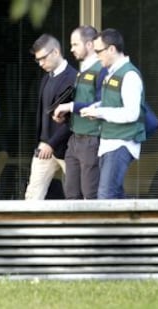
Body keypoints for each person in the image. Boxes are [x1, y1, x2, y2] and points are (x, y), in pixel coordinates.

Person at [80, 28, 146, 199]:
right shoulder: (113, 73)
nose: (96, 56)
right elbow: (112, 103)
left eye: (98, 51)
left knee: (105, 196)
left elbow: (131, 113)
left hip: (121, 143)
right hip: (109, 142)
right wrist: (96, 108)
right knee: (114, 195)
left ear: (111, 49)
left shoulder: (129, 75)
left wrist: (100, 112)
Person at [53, 25, 107, 199]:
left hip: (91, 139)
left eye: (75, 44)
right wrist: (66, 115)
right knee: (71, 194)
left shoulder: (102, 69)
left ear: (90, 44)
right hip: (75, 138)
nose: (71, 49)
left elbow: (100, 104)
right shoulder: (82, 70)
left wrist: (69, 107)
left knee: (91, 194)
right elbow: (82, 100)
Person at [24, 34, 78, 200]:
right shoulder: (46, 79)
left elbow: (75, 119)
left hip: (69, 148)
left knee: (75, 196)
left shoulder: (75, 78)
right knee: (32, 197)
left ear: (55, 52)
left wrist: (51, 144)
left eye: (43, 58)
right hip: (44, 147)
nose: (40, 64)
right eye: (37, 60)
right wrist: (43, 142)